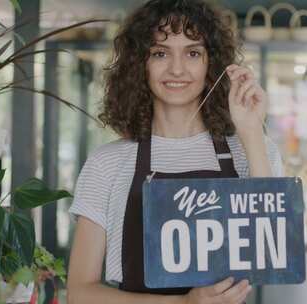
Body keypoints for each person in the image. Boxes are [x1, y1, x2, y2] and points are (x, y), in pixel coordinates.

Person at [67, 0, 283, 303]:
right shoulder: (108, 164)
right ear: (139, 63)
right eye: (160, 53)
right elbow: (79, 293)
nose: (177, 68)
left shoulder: (252, 150)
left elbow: (270, 251)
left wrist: (250, 130)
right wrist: (183, 303)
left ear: (213, 64)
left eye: (193, 52)